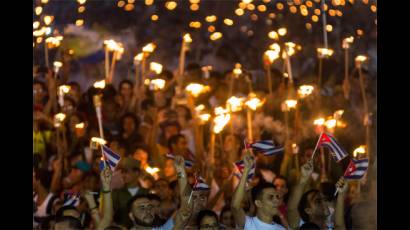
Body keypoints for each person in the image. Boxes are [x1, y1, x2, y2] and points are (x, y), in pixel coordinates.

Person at [231, 151, 286, 230]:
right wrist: (246, 170)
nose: (276, 200)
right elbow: (235, 206)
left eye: (277, 197)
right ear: (258, 203)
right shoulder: (248, 224)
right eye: (270, 197)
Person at [112, 157, 149, 228]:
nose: (123, 175)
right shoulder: (117, 193)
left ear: (136, 173)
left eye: (126, 172)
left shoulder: (146, 193)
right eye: (122, 172)